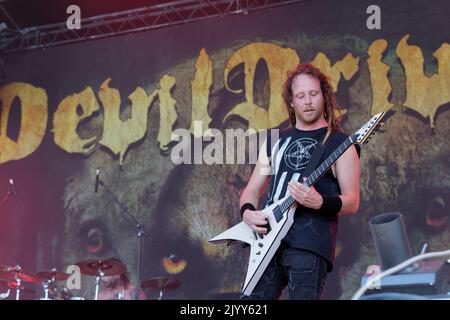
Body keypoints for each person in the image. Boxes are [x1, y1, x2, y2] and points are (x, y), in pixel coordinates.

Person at [239, 63, 360, 300]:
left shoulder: (341, 144)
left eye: (313, 94)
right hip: (268, 242)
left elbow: (352, 201)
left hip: (310, 242)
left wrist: (319, 202)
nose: (307, 101)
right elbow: (252, 190)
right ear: (291, 101)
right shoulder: (275, 142)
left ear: (324, 96)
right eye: (300, 96)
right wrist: (247, 212)